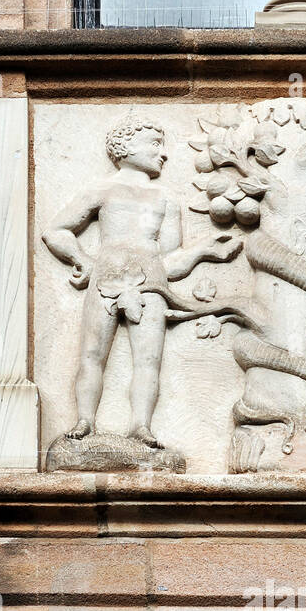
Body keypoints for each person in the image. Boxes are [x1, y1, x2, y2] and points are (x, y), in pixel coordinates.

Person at [42, 114, 242, 445]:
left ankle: (141, 426)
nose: (163, 153)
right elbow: (56, 231)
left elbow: (170, 261)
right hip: (106, 279)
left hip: (150, 283)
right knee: (93, 354)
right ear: (124, 145)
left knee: (148, 360)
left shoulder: (165, 199)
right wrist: (83, 261)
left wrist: (205, 252)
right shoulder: (102, 190)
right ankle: (84, 421)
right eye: (154, 144)